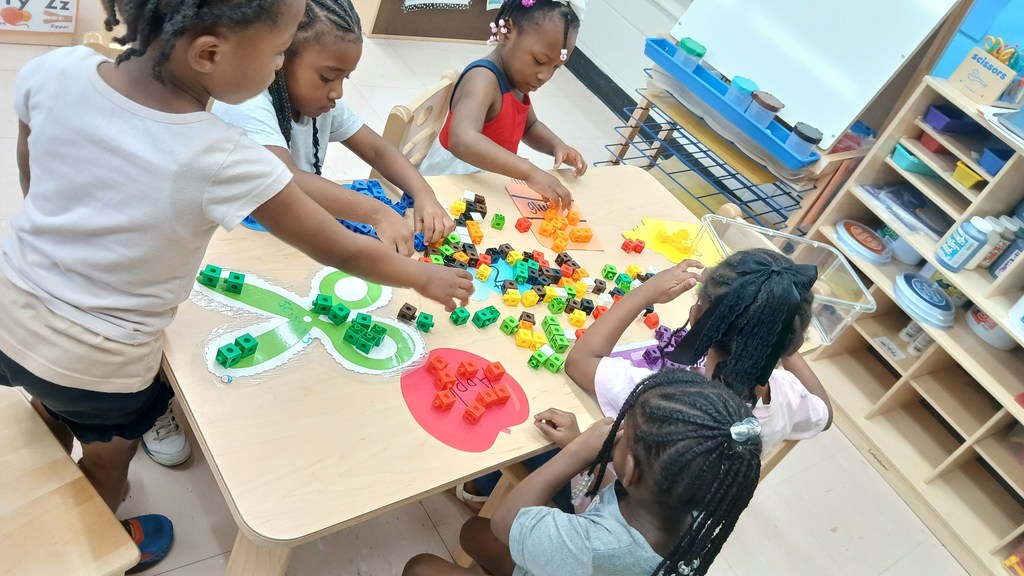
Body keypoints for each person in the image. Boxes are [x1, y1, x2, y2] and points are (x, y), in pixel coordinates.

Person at [3, 0, 471, 571]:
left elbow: (32, 173)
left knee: (49, 397)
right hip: (101, 362)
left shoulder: (56, 69)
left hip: (10, 310)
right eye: (277, 52)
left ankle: (44, 463)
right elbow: (337, 247)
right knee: (105, 461)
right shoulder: (224, 155)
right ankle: (87, 540)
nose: (278, 67)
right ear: (208, 53)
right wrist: (423, 275)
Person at [403, 369, 763, 576]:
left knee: (420, 567)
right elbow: (622, 498)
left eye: (624, 433)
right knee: (471, 531)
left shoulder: (594, 546)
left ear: (633, 469)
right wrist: (594, 454)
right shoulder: (694, 505)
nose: (614, 430)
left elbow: (506, 522)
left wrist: (578, 451)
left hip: (575, 559)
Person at [213, 0, 455, 255]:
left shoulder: (319, 102)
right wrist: (377, 214)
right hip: (239, 236)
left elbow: (377, 150)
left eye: (344, 78)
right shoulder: (246, 103)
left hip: (293, 224)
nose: (337, 92)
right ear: (280, 58)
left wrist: (423, 193)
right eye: (327, 78)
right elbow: (285, 179)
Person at [567, 251, 832, 454]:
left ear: (696, 318)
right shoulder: (788, 396)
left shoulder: (664, 398)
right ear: (794, 343)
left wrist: (646, 292)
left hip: (617, 496)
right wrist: (774, 335)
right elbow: (826, 414)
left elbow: (580, 361)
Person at [419, 0, 588, 209]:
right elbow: (462, 139)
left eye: (556, 67)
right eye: (539, 60)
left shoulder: (517, 81)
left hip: (485, 179)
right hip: (448, 183)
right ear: (506, 31)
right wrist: (530, 171)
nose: (544, 75)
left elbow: (530, 126)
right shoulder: (483, 78)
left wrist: (557, 146)